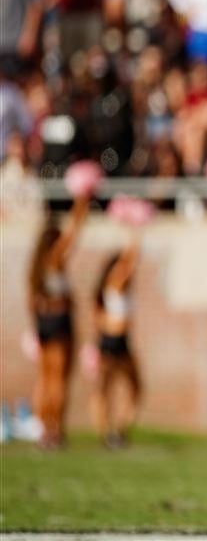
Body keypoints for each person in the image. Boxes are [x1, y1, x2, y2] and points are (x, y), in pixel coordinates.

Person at [27, 192, 88, 450]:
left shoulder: (36, 268)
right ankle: (54, 429)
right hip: (59, 322)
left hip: (43, 324)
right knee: (59, 379)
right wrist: (81, 203)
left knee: (44, 378)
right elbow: (72, 237)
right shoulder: (55, 258)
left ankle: (43, 428)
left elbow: (31, 303)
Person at [91, 227, 141, 449]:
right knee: (104, 389)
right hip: (111, 342)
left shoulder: (120, 289)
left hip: (122, 342)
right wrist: (135, 231)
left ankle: (118, 430)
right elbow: (131, 261)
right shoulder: (116, 281)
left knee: (134, 386)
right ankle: (105, 432)